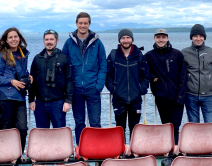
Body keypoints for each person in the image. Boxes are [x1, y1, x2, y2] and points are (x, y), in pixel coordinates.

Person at [62, 12, 107, 145]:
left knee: (95, 123)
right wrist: (68, 87)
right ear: (76, 24)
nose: (83, 25)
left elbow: (103, 65)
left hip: (92, 89)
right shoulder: (69, 43)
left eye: (85, 23)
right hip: (76, 89)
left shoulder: (97, 43)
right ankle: (81, 151)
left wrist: (98, 86)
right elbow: (64, 64)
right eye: (80, 23)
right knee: (79, 123)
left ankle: (96, 151)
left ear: (89, 24)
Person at [0, 27, 32, 153]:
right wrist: (11, 81)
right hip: (6, 97)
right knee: (7, 129)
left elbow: (20, 72)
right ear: (6, 40)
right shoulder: (1, 55)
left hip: (20, 97)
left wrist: (28, 77)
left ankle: (17, 156)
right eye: (11, 37)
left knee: (22, 129)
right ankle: (6, 158)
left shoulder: (22, 54)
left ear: (19, 38)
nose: (14, 39)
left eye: (15, 36)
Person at [105, 29, 150, 142]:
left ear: (132, 39)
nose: (125, 40)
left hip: (135, 99)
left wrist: (141, 89)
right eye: (123, 38)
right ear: (119, 40)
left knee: (134, 128)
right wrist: (113, 89)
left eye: (128, 38)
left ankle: (133, 153)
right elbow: (107, 74)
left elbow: (146, 75)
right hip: (119, 99)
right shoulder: (113, 55)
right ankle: (120, 153)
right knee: (120, 128)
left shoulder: (139, 55)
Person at [145, 28, 187, 145]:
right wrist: (151, 76)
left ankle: (175, 154)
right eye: (158, 37)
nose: (161, 40)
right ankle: (168, 152)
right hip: (161, 97)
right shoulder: (149, 55)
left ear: (167, 38)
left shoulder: (177, 54)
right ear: (154, 39)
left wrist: (181, 97)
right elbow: (141, 69)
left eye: (163, 37)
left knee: (175, 127)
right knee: (165, 126)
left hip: (177, 98)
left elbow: (183, 77)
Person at [29, 29, 74, 128]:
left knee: (59, 134)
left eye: (51, 39)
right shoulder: (37, 59)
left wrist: (68, 101)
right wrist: (31, 100)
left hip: (58, 103)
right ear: (44, 41)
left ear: (56, 41)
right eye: (46, 39)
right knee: (42, 135)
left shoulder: (64, 58)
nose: (49, 42)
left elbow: (69, 81)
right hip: (40, 103)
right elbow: (31, 81)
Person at [182, 24, 212, 123]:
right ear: (191, 37)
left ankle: (210, 139)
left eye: (201, 36)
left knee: (210, 125)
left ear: (204, 37)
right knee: (194, 127)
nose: (198, 38)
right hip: (190, 96)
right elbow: (179, 73)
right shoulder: (184, 53)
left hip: (209, 96)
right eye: (195, 36)